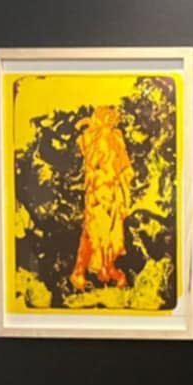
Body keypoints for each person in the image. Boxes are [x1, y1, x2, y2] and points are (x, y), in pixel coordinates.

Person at [70, 105, 134, 292]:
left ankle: (107, 269)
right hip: (97, 193)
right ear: (99, 117)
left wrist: (125, 193)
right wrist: (92, 128)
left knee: (112, 234)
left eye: (113, 116)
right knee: (93, 233)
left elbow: (125, 166)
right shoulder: (90, 137)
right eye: (106, 115)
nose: (111, 118)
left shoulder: (117, 137)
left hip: (114, 192)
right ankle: (80, 273)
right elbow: (91, 162)